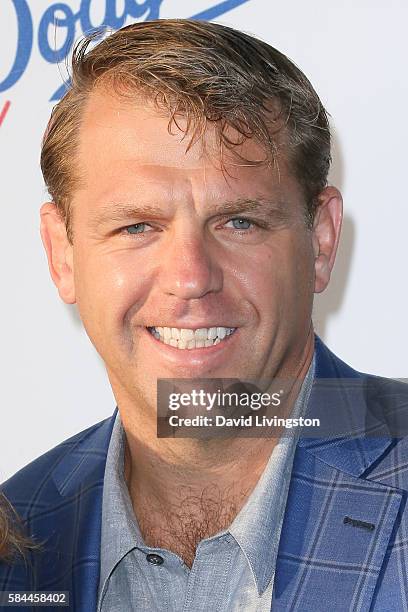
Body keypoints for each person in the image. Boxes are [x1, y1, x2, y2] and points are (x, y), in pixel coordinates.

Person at [0, 19, 407, 611]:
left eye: (239, 222)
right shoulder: (21, 544)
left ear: (319, 240)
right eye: (136, 226)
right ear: (62, 255)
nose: (191, 277)